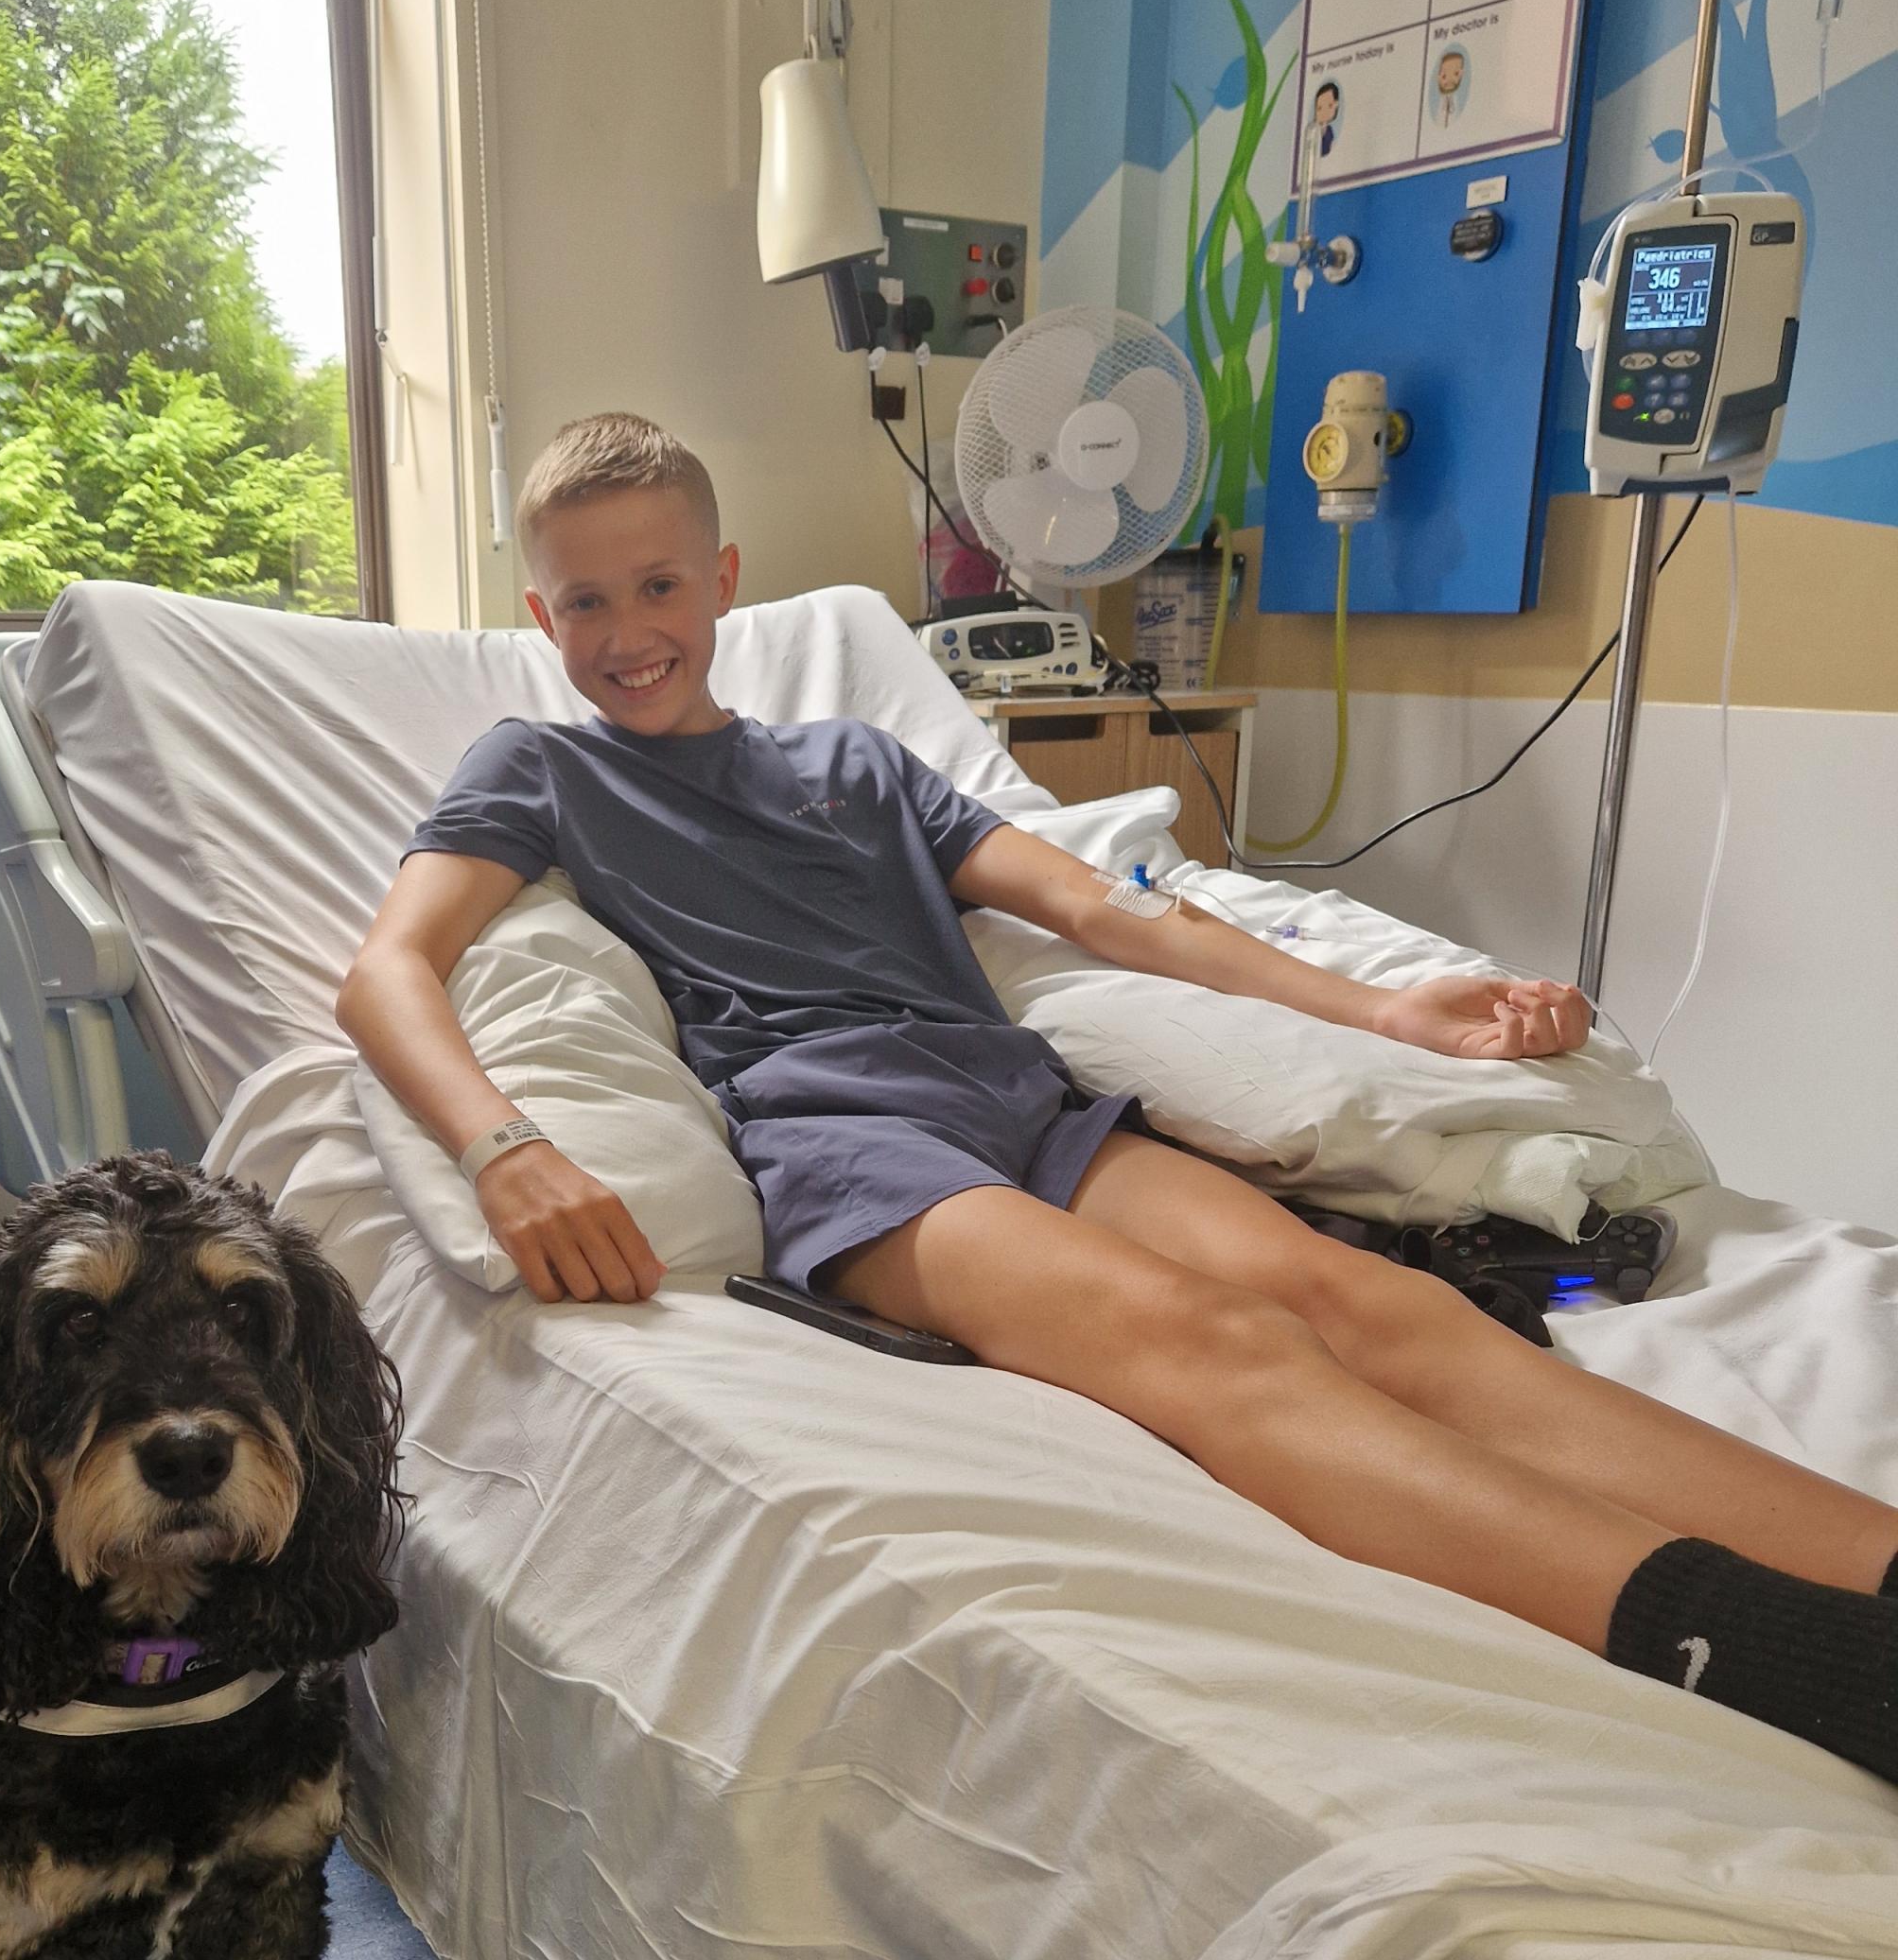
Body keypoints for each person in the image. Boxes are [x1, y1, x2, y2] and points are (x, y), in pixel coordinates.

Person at [337, 412, 1898, 1778]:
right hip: (847, 1148)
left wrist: (1380, 1005)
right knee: (1224, 1345)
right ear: (542, 613)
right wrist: (506, 1147)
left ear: (724, 578)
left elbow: (1099, 907)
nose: (629, 629)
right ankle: (1757, 1647)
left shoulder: (858, 765)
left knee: (1381, 1311)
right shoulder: (537, 768)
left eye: (659, 584)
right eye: (588, 600)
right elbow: (390, 972)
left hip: (1015, 1098)